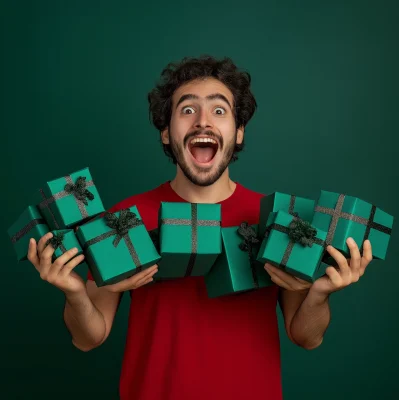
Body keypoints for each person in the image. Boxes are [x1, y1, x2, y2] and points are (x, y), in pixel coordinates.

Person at [27, 55, 373, 400]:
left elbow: (306, 337)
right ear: (166, 132)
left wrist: (321, 293)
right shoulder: (126, 218)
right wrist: (74, 293)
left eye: (219, 111)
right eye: (187, 110)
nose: (203, 122)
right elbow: (89, 338)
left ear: (238, 132)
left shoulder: (280, 220)